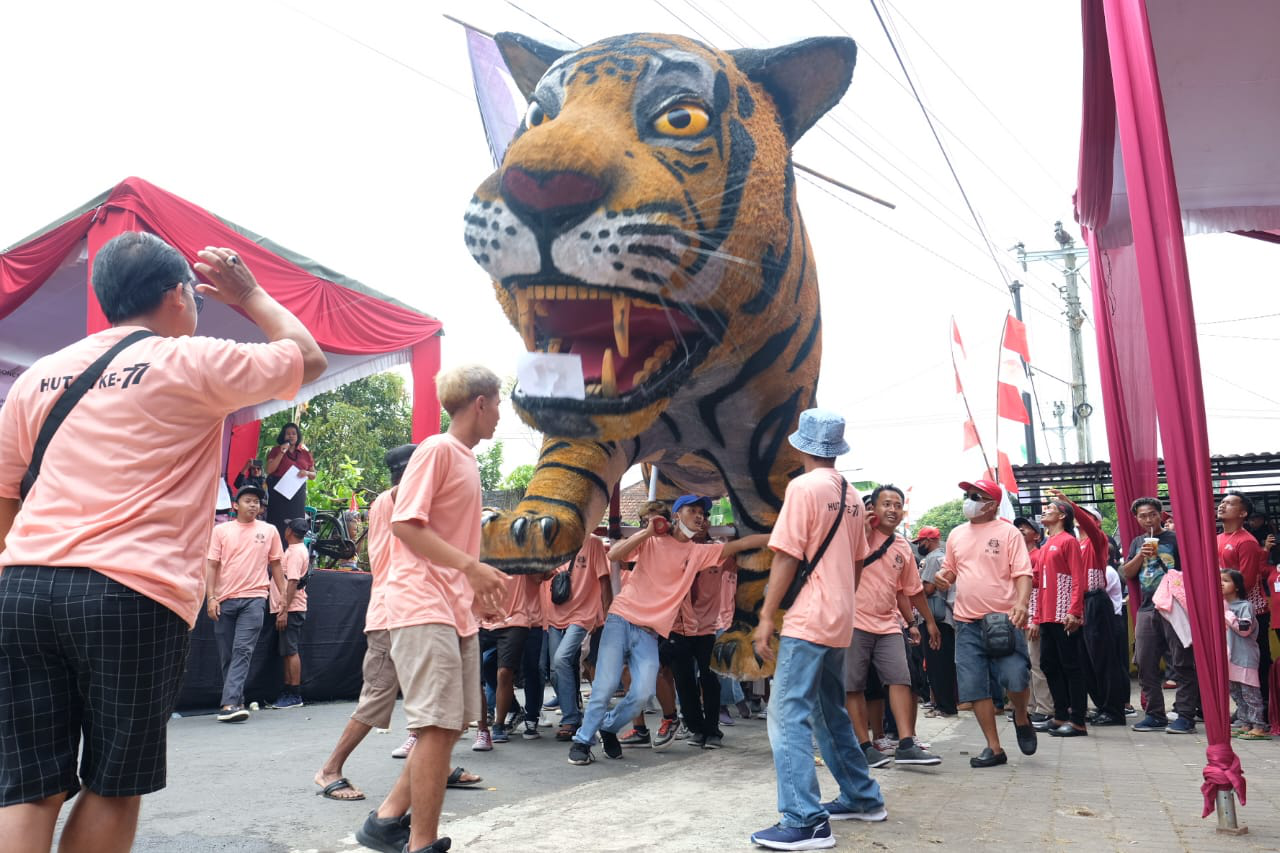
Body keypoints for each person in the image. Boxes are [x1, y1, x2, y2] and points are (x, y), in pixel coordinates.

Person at [0, 233, 324, 853]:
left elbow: (5, 492)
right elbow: (304, 357)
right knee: (115, 782)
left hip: (24, 587)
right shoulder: (191, 360)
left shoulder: (39, 376)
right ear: (179, 295)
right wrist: (250, 292)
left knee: (29, 787)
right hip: (130, 594)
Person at [355, 366, 507, 853]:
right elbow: (406, 524)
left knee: (452, 724)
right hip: (422, 602)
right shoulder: (437, 449)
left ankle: (385, 820)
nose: (501, 414)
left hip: (452, 605)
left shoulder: (464, 458)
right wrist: (472, 568)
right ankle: (421, 843)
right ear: (480, 403)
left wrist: (473, 581)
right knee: (436, 725)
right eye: (499, 403)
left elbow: (445, 534)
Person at [749, 409, 884, 851]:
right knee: (829, 710)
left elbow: (787, 555)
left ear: (801, 446)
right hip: (841, 616)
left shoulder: (804, 487)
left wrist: (767, 615)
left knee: (787, 713)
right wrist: (842, 598)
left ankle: (804, 819)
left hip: (810, 617)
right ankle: (863, 797)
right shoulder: (853, 494)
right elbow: (860, 559)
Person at [568, 495, 767, 766]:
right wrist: (648, 531)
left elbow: (742, 544)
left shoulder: (699, 552)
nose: (699, 516)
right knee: (604, 687)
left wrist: (778, 535)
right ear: (675, 515)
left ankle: (609, 727)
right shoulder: (651, 539)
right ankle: (582, 741)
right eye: (692, 510)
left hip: (649, 633)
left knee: (643, 692)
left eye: (702, 512)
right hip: (620, 619)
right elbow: (615, 555)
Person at [931, 479, 1038, 768]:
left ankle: (1021, 715)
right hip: (966, 623)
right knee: (974, 685)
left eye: (975, 496)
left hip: (1004, 620)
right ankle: (994, 747)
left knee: (1015, 676)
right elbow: (950, 569)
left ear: (991, 504)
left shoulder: (1008, 533)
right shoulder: (956, 534)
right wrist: (943, 578)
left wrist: (1022, 604)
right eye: (967, 495)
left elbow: (1023, 573)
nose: (968, 500)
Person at [846, 485, 942, 768]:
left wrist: (926, 623)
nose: (893, 509)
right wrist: (862, 533)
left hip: (888, 623)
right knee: (854, 685)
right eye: (886, 503)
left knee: (900, 679)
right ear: (873, 508)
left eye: (897, 505)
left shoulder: (902, 546)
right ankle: (863, 746)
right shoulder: (854, 535)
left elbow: (911, 590)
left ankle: (907, 743)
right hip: (853, 621)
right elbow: (844, 566)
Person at [207, 484, 286, 722]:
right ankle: (237, 699)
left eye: (257, 502)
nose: (253, 505)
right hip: (224, 599)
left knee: (243, 650)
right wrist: (210, 597)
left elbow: (276, 565)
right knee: (227, 654)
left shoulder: (269, 530)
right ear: (235, 505)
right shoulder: (221, 531)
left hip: (255, 598)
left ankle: (229, 704)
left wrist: (282, 596)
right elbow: (211, 565)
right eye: (248, 500)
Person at [1122, 496, 1199, 734]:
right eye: (1142, 516)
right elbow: (1127, 573)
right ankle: (1155, 714)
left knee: (1182, 662)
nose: (1147, 519)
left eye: (1151, 514)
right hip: (1147, 607)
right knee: (1145, 662)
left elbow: (1191, 569)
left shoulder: (1175, 539)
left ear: (1160, 514)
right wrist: (1139, 555)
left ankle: (1186, 715)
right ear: (1136, 518)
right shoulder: (1137, 542)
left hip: (1174, 606)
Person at [1028, 499, 1089, 737]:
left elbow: (1078, 577)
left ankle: (1077, 721)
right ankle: (1060, 714)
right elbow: (1036, 582)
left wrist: (1074, 611)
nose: (1045, 512)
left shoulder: (1068, 541)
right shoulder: (1046, 544)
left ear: (1062, 515)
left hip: (1064, 614)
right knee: (1049, 665)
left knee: (1071, 666)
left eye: (1050, 509)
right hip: (1046, 615)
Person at [546, 535, 612, 741]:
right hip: (555, 613)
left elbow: (604, 579)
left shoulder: (593, 543)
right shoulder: (552, 540)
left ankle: (571, 718)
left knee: (561, 659)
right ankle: (573, 710)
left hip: (583, 613)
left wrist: (607, 615)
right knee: (555, 669)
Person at [1217, 492, 1271, 716]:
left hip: (1250, 612)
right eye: (1222, 502)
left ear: (1242, 513)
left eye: (1229, 503)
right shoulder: (1218, 538)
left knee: (1255, 662)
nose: (1222, 506)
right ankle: (1244, 710)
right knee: (1234, 663)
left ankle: (1264, 709)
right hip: (1228, 611)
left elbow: (1246, 581)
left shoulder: (1246, 541)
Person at [480, 570, 546, 744]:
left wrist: (527, 563)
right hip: (493, 620)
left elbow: (542, 575)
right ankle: (513, 709)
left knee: (528, 669)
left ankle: (531, 717)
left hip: (527, 617)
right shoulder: (487, 547)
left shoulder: (526, 547)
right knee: (488, 665)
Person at [1221, 569, 1268, 739]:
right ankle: (1245, 722)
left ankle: (1259, 726)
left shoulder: (1245, 606)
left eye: (1225, 580)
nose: (1221, 584)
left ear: (1237, 587)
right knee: (1237, 693)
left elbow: (1244, 630)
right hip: (1229, 657)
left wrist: (1228, 615)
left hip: (1245, 656)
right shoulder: (1221, 605)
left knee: (1250, 694)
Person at [916, 527, 957, 718]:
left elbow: (929, 588)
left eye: (921, 542)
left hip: (935, 618)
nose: (919, 546)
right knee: (941, 664)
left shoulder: (933, 558)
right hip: (943, 617)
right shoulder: (943, 557)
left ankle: (945, 706)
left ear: (930, 540)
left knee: (937, 664)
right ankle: (943, 704)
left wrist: (913, 588)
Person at [271, 517, 311, 709]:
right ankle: (288, 690)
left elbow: (293, 581)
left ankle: (294, 693)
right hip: (289, 608)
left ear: (289, 532)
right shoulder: (295, 550)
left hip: (292, 608)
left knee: (291, 650)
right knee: (287, 651)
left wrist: (284, 610)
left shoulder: (295, 553)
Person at [265, 421, 316, 542]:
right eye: (288, 434)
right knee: (278, 522)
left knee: (296, 523)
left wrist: (307, 473)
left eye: (294, 433)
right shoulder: (276, 450)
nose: (291, 436)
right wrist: (282, 452)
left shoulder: (305, 453)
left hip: (297, 492)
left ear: (297, 436)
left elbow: (314, 475)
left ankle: (293, 551)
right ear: (283, 436)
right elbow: (269, 470)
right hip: (279, 491)